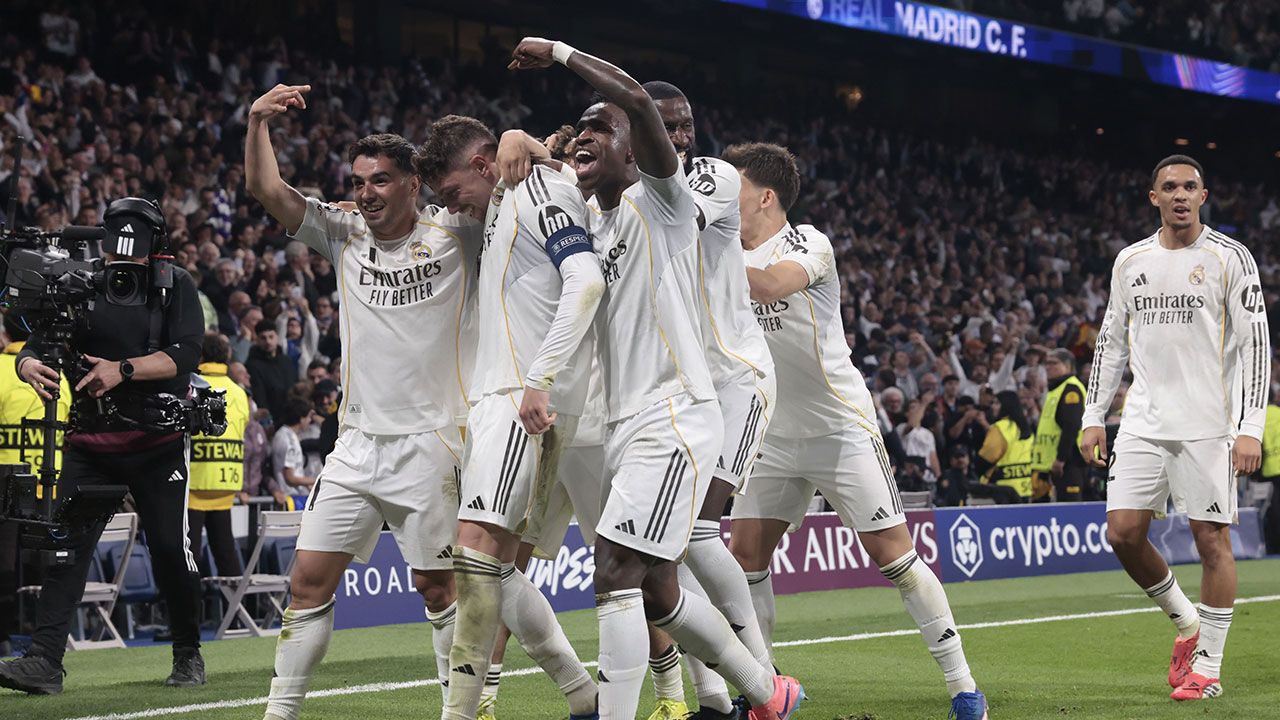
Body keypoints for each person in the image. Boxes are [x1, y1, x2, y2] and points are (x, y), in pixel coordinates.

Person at [508, 38, 801, 720]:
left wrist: (558, 51)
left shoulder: (666, 200)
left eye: (600, 128)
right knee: (656, 589)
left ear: (638, 148)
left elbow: (637, 103)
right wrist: (523, 140)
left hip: (675, 414)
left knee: (615, 570)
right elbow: (553, 165)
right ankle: (766, 692)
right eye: (581, 129)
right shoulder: (597, 221)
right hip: (626, 421)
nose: (585, 136)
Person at [720, 142, 987, 719]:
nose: (722, 195)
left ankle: (965, 688)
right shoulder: (723, 249)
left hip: (839, 427)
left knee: (895, 558)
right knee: (744, 560)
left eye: (733, 185)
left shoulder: (808, 244)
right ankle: (763, 689)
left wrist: (703, 254)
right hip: (768, 434)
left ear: (765, 196)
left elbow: (768, 286)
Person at [245, 84, 481, 720]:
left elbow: (512, 195)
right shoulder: (342, 232)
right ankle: (280, 713)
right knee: (307, 583)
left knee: (437, 588)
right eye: (358, 182)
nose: (366, 193)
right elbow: (268, 190)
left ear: (413, 184)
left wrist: (517, 143)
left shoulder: (458, 232)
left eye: (380, 180)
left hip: (432, 441)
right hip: (354, 444)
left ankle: (459, 711)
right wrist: (258, 121)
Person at [416, 114, 603, 720]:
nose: (452, 207)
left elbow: (585, 280)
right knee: (491, 563)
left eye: (453, 192)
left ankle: (461, 713)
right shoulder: (499, 202)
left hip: (525, 398)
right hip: (504, 397)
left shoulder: (538, 188)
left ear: (482, 165)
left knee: (476, 559)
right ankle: (583, 695)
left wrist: (539, 377)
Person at [1081, 154, 1270, 702]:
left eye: (1190, 186)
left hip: (1207, 424)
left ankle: (1207, 668)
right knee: (1122, 533)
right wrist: (1094, 415)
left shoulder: (1230, 257)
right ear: (1154, 197)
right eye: (1170, 187)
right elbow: (1110, 342)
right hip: (1142, 420)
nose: (1180, 195)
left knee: (1211, 540)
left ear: (1203, 197)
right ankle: (1187, 623)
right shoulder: (1130, 260)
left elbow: (1256, 345)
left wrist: (1250, 426)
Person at [0, 197, 208, 694]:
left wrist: (123, 370)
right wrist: (27, 365)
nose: (122, 262)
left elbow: (186, 354)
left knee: (168, 549)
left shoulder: (174, 284)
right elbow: (36, 344)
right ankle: (44, 662)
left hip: (157, 442)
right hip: (91, 442)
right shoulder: (79, 281)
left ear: (154, 246)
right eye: (116, 249)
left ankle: (187, 654)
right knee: (66, 551)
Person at [0, 314, 72, 660]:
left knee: (4, 561)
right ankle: (44, 634)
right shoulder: (61, 377)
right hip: (49, 481)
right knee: (44, 560)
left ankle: (3, 634)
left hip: (5, 483)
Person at [188, 332, 250, 578]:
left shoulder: (193, 388)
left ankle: (190, 602)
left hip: (196, 479)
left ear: (200, 356)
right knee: (225, 551)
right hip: (227, 480)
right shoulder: (240, 393)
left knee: (189, 553)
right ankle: (236, 602)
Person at [1031, 349, 1087, 502]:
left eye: (1053, 363)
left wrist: (1061, 459)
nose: (1048, 367)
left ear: (1068, 366)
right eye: (1046, 363)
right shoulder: (1056, 389)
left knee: (1070, 511)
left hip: (1068, 462)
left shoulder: (1071, 390)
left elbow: (1071, 426)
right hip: (1051, 464)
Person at [974, 390, 1035, 501]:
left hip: (1000, 490)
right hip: (1024, 488)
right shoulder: (1026, 427)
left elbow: (986, 458)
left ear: (1006, 406)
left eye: (997, 403)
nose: (993, 407)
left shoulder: (1000, 428)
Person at [271, 397, 316, 491]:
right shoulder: (289, 439)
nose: (309, 421)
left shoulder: (285, 434)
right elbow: (290, 478)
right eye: (308, 417)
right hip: (291, 495)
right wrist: (317, 480)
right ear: (301, 419)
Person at [1261, 387, 1280, 554]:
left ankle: (1274, 546)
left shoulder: (1259, 418)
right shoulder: (1278, 413)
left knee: (1274, 509)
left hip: (1270, 470)